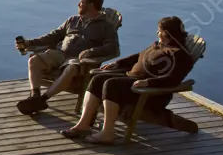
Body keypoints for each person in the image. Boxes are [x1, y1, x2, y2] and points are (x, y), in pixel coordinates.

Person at [60, 15, 194, 145]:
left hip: (148, 93)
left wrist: (148, 82)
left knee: (111, 84)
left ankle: (107, 133)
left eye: (159, 30)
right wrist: (118, 64)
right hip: (133, 82)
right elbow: (138, 57)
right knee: (98, 79)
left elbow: (173, 80)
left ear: (166, 33)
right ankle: (83, 125)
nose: (157, 32)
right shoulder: (158, 46)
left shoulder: (180, 55)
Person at [15, 0, 120, 115]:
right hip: (60, 54)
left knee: (70, 69)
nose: (78, 4)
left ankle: (42, 100)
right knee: (34, 60)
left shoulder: (105, 27)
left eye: (81, 2)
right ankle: (35, 95)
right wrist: (29, 43)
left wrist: (91, 52)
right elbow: (53, 36)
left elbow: (113, 47)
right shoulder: (73, 20)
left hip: (79, 60)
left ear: (91, 5)